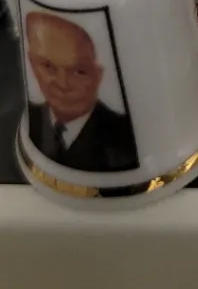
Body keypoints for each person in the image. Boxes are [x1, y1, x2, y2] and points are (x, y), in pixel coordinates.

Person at [24, 11, 138, 172]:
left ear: (98, 75)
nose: (63, 84)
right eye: (48, 67)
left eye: (79, 71)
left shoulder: (125, 135)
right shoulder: (32, 119)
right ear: (32, 64)